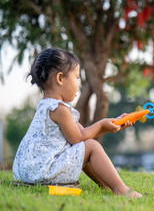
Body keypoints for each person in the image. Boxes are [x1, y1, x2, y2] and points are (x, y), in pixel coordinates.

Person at [12, 48, 142, 198]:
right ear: (60, 78)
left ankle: (106, 185)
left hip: (30, 172)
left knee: (85, 148)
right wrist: (100, 125)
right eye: (77, 77)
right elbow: (78, 139)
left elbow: (82, 134)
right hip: (44, 173)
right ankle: (121, 190)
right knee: (91, 147)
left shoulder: (46, 106)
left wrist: (110, 125)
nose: (78, 84)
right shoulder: (59, 109)